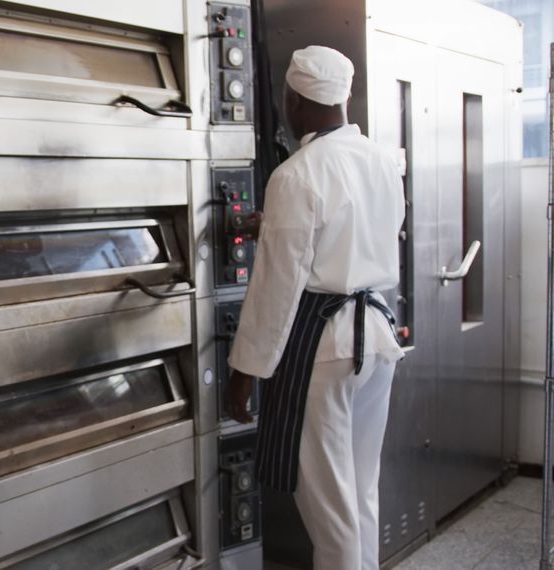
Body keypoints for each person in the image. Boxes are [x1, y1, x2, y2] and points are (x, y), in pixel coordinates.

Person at [224, 45, 406, 570]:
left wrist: (245, 371)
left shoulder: (296, 175)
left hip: (325, 350)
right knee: (359, 493)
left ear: (296, 100)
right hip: (375, 338)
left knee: (330, 512)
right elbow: (356, 233)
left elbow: (276, 289)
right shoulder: (381, 160)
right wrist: (276, 225)